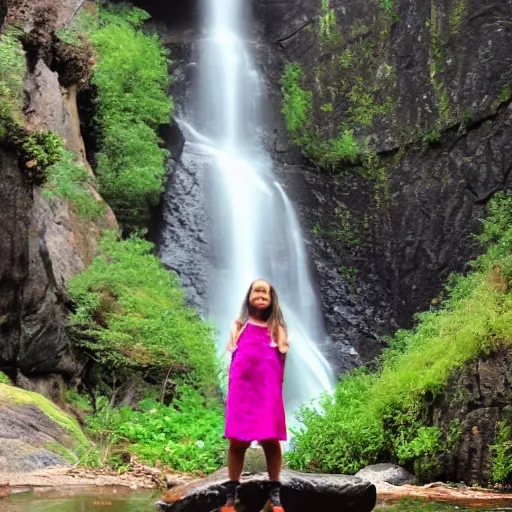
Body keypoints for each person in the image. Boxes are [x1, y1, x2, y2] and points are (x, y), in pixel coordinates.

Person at [221, 278, 289, 512]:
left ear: (272, 300)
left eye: (265, 293)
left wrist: (278, 388)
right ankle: (230, 497)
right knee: (237, 442)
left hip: (267, 389)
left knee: (271, 440)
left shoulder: (277, 329)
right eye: (256, 291)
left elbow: (282, 358)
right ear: (248, 296)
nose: (260, 295)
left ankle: (275, 494)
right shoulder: (238, 326)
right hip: (242, 390)